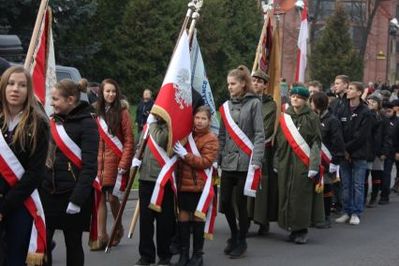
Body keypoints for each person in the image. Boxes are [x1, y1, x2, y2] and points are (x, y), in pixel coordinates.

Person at [41, 79, 99, 266]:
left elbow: (90, 166)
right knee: (43, 242)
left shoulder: (88, 124)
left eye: (56, 99)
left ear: (71, 99)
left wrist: (76, 200)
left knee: (73, 243)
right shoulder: (53, 121)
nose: (52, 103)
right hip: (49, 192)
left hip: (73, 194)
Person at [0, 66, 49, 266]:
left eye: (22, 85)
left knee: (15, 259)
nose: (15, 89)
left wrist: (4, 206)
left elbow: (35, 173)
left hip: (22, 204)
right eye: (11, 84)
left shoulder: (38, 124)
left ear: (29, 91)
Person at [218, 65, 265, 258]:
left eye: (233, 83)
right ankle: (235, 233)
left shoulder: (254, 104)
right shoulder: (225, 107)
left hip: (246, 162)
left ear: (243, 84)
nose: (229, 87)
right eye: (228, 84)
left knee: (241, 204)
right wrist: (217, 158)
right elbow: (222, 135)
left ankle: (242, 240)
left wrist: (257, 159)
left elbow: (260, 134)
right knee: (225, 201)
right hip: (228, 161)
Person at [274, 84, 324, 244]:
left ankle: (301, 229)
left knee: (300, 196)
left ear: (305, 100)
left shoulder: (312, 117)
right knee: (286, 194)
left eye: (299, 97)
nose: (295, 99)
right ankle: (290, 226)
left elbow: (316, 142)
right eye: (293, 96)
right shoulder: (284, 116)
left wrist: (314, 165)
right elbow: (279, 142)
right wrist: (276, 161)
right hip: (285, 161)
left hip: (303, 162)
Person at [172, 106, 218, 266]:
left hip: (200, 186)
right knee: (183, 217)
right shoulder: (187, 135)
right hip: (183, 184)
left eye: (203, 119)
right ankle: (184, 254)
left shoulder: (211, 138)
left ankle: (198, 255)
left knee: (198, 218)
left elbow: (205, 162)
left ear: (209, 121)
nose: (199, 121)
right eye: (197, 118)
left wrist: (186, 155)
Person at [94, 79, 134, 250]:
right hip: (98, 163)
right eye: (107, 91)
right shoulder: (96, 112)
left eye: (113, 91)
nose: (110, 94)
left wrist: (124, 162)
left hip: (116, 162)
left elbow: (129, 140)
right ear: (102, 93)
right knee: (100, 198)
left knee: (112, 198)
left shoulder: (123, 112)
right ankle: (101, 236)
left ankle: (118, 229)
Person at [133, 114, 175, 266]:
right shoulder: (148, 126)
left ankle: (164, 256)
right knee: (146, 221)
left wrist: (151, 124)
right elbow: (139, 144)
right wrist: (136, 155)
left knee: (164, 221)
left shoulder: (168, 127)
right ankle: (146, 256)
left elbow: (160, 140)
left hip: (163, 179)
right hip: (145, 179)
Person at [335, 82, 371, 225]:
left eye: (351, 89)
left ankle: (356, 212)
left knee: (358, 184)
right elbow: (337, 130)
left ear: (359, 92)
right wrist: (343, 150)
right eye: (348, 88)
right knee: (345, 184)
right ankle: (346, 211)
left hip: (358, 153)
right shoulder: (342, 108)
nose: (348, 91)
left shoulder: (365, 112)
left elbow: (361, 136)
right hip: (344, 153)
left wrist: (348, 150)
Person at [247, 69, 277, 235]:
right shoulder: (244, 100)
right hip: (244, 149)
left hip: (261, 151)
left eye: (260, 81)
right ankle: (245, 220)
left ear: (265, 85)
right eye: (254, 80)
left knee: (261, 187)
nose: (256, 83)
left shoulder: (270, 105)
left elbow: (265, 128)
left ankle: (262, 221)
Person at [310, 92, 345, 228]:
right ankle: (315, 216)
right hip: (314, 159)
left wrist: (335, 161)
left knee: (326, 189)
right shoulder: (312, 118)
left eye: (312, 101)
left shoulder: (332, 120)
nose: (310, 103)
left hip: (327, 159)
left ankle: (326, 216)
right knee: (315, 188)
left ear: (317, 103)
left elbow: (338, 141)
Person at [363, 93, 385, 207]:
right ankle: (363, 198)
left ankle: (373, 197)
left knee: (376, 175)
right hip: (367, 150)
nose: (371, 103)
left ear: (379, 104)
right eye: (369, 101)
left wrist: (383, 151)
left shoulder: (382, 117)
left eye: (374, 102)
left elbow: (386, 136)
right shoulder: (366, 115)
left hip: (378, 151)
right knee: (365, 175)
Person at [378, 101, 398, 204]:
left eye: (389, 111)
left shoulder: (397, 121)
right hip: (384, 151)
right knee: (383, 174)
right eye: (385, 111)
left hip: (393, 151)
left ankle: (386, 195)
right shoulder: (382, 120)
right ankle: (382, 194)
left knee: (387, 173)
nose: (387, 113)